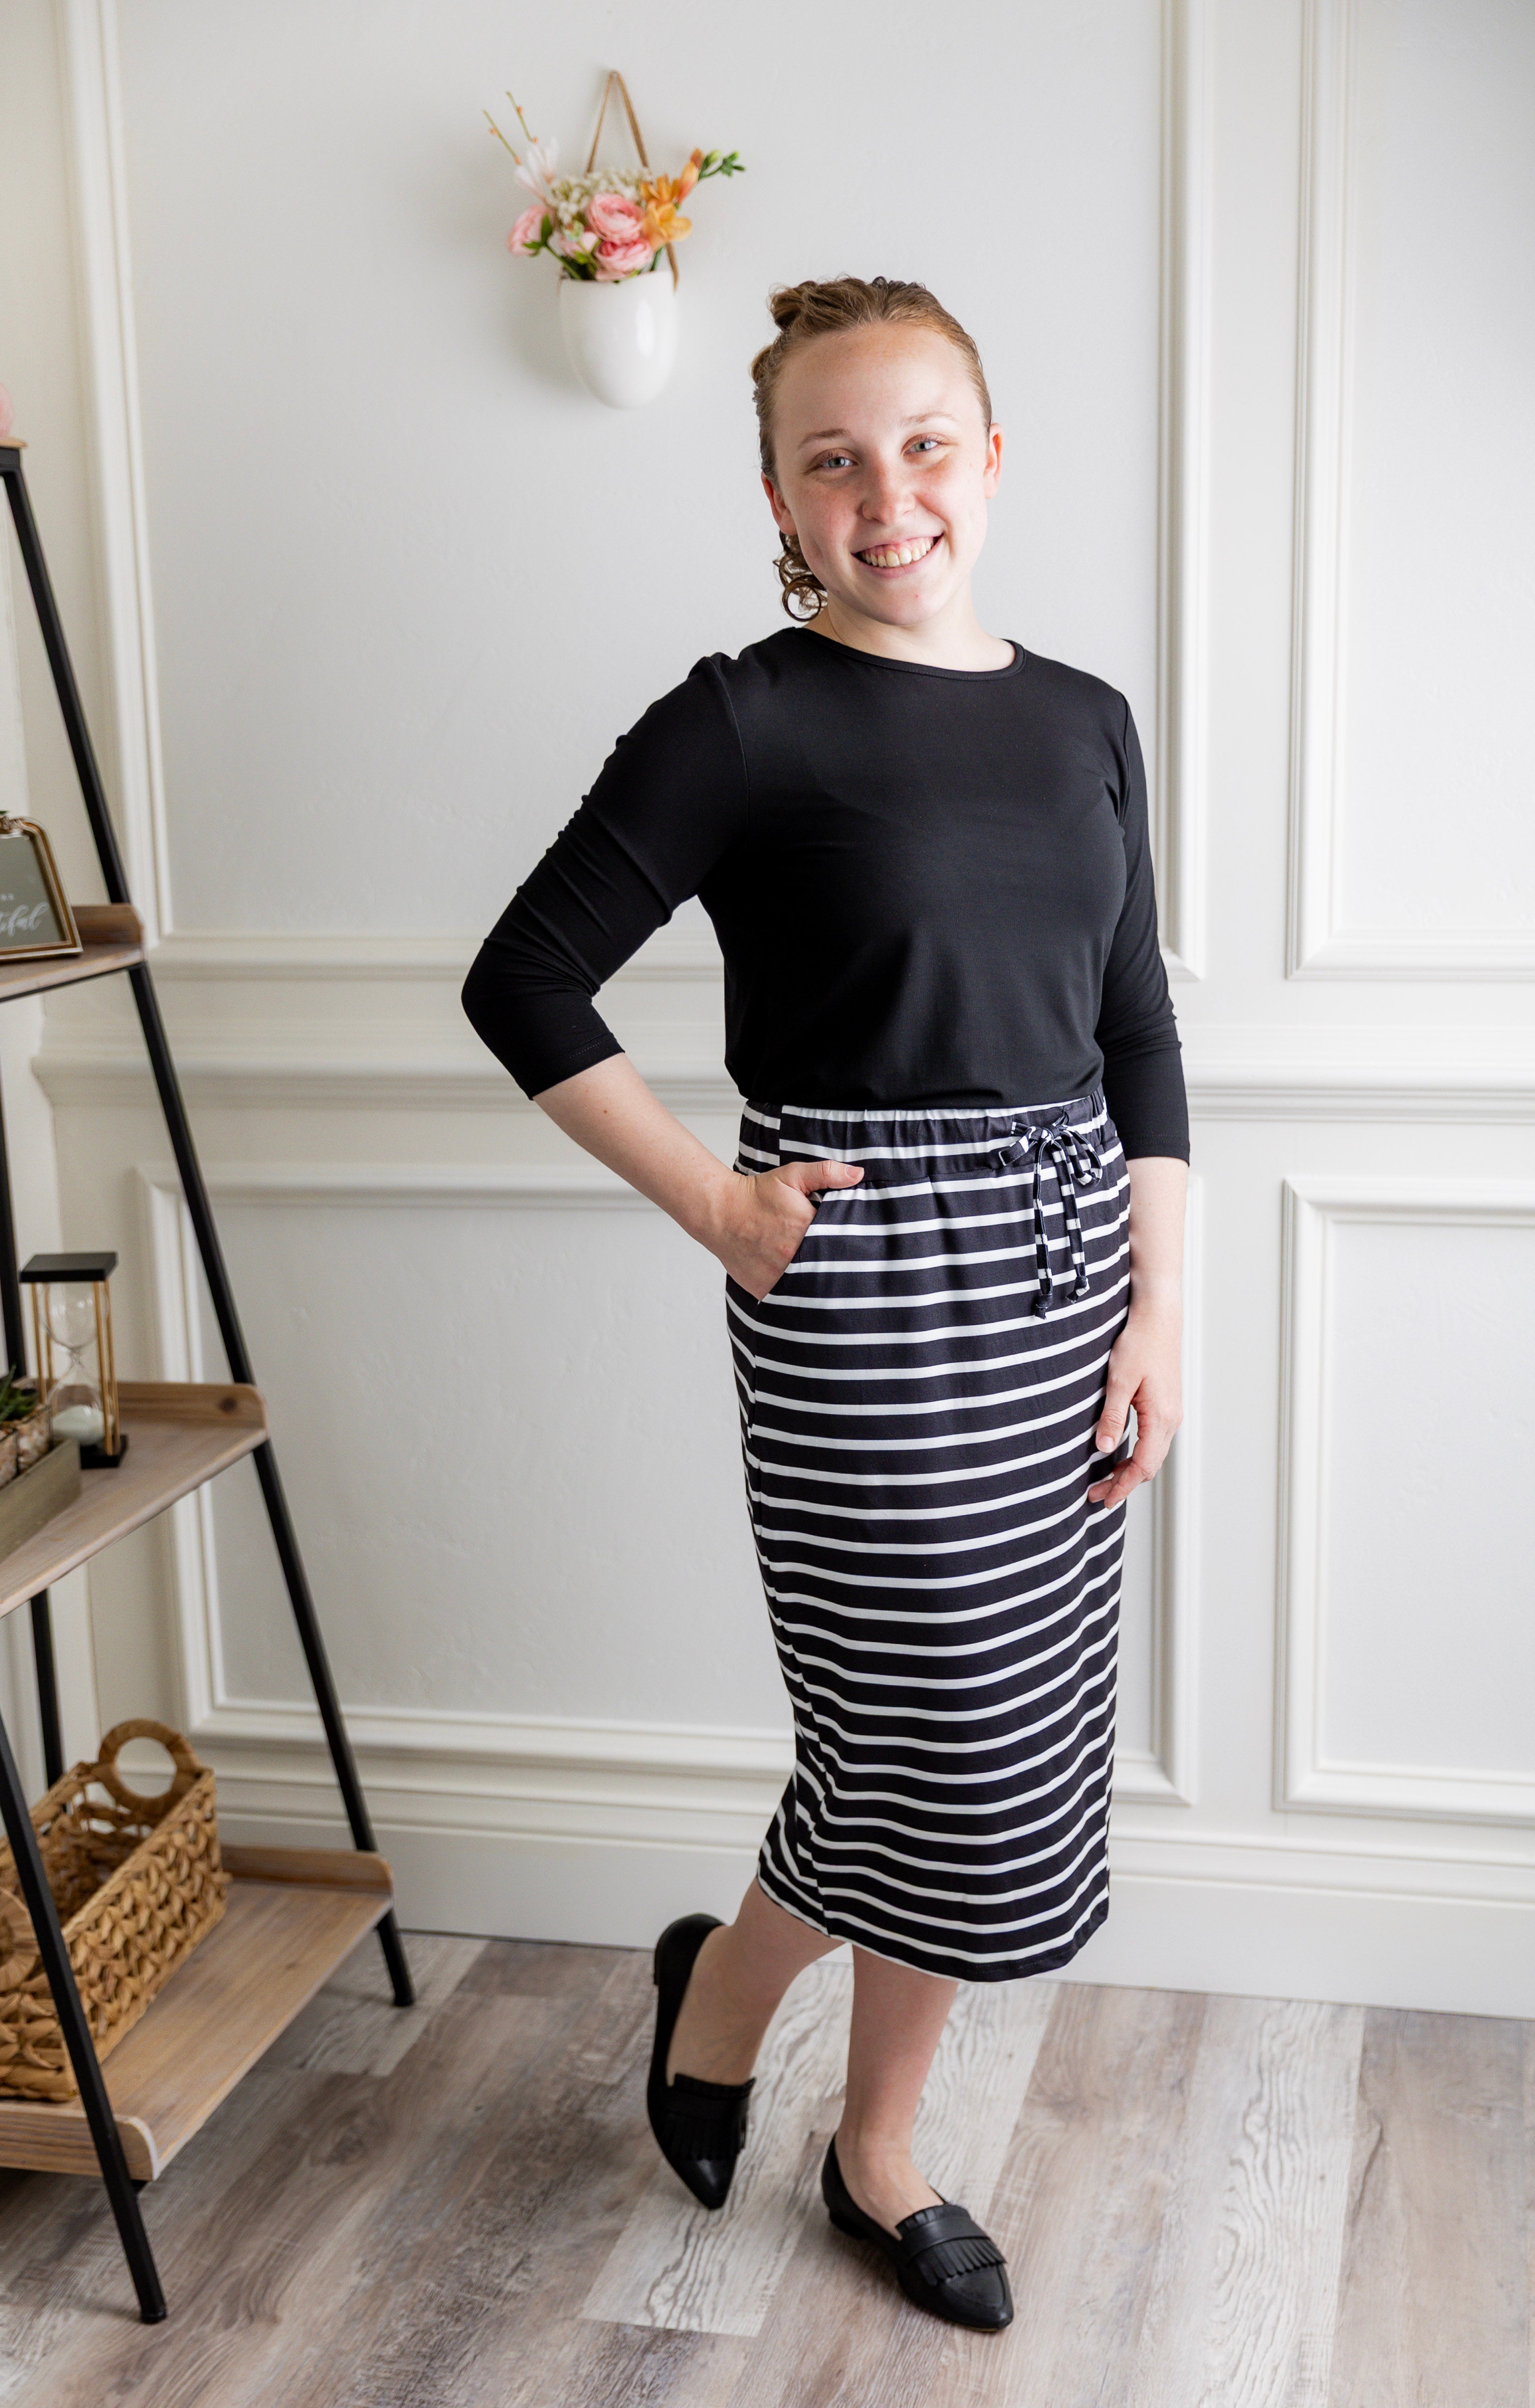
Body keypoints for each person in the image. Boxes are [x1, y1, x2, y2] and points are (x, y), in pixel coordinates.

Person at [462, 274, 1188, 2333]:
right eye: (835, 460)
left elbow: (1136, 1031)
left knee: (975, 1745)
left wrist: (1160, 1313)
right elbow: (525, 980)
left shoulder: (1085, 719)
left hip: (1067, 1272)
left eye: (925, 446)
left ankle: (841, 2114)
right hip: (857, 1284)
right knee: (933, 1741)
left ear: (991, 455)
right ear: (779, 495)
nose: (890, 497)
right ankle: (767, 2043)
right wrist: (714, 1202)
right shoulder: (742, 719)